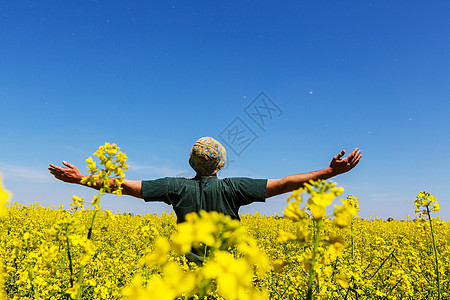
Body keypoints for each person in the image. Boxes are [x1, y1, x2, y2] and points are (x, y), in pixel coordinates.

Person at [49, 137, 362, 223]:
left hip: (185, 278)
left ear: (190, 162)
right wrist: (330, 172)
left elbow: (126, 186)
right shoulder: (234, 188)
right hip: (228, 279)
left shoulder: (175, 187)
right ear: (221, 164)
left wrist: (81, 180)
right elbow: (285, 183)